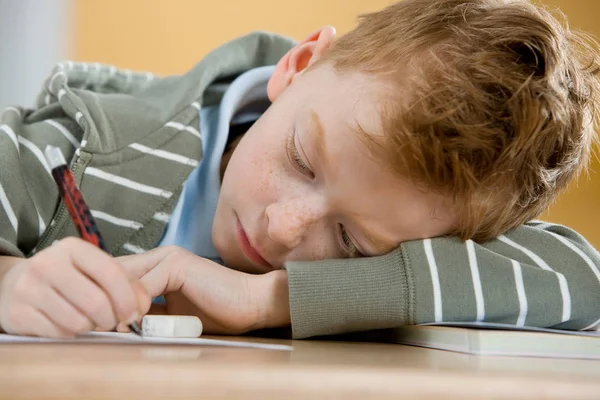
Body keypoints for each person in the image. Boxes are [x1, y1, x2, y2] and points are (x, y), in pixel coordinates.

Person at [0, 0, 599, 339]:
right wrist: (8, 286)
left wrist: (274, 298)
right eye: (301, 160)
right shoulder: (79, 147)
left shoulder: (425, 213)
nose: (283, 229)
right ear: (300, 64)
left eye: (349, 241)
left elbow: (583, 279)